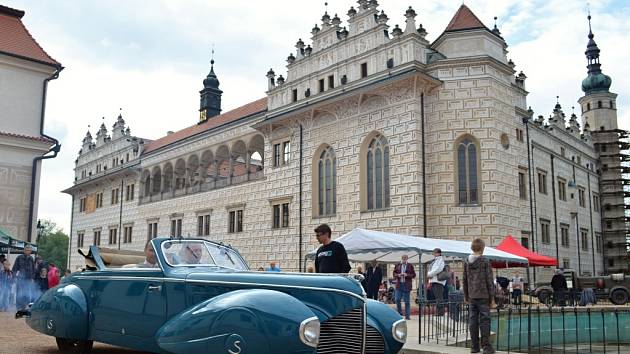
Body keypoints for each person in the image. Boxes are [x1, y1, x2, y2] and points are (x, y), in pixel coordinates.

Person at [463, 238, 496, 354]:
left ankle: (474, 346)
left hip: (472, 295)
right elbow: (489, 280)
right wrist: (492, 298)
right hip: (483, 295)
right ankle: (486, 347)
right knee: (485, 320)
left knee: (473, 320)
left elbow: (465, 280)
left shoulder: (466, 261)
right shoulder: (485, 261)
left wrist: (466, 295)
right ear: (482, 248)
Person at [12, 244, 35, 309]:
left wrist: (33, 278)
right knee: (19, 292)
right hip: (20, 279)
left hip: (29, 279)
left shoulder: (31, 259)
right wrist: (14, 278)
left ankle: (25, 306)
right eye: (27, 250)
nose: (28, 251)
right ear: (24, 250)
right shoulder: (19, 257)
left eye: (29, 250)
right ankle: (18, 307)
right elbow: (14, 268)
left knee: (27, 293)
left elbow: (34, 269)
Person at [393, 254, 416, 320]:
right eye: (403, 258)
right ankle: (400, 312)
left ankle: (407, 316)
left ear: (407, 258)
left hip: (407, 285)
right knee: (397, 299)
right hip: (399, 285)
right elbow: (394, 274)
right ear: (401, 258)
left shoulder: (410, 265)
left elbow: (414, 275)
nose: (404, 259)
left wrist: (407, 275)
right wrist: (398, 275)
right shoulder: (397, 265)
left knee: (407, 301)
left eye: (405, 258)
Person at [427, 248, 446, 316]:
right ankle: (439, 311)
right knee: (437, 297)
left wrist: (429, 274)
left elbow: (438, 269)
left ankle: (440, 312)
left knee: (439, 297)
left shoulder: (440, 260)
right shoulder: (435, 260)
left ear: (438, 253)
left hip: (438, 281)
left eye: (434, 252)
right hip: (434, 280)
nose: (433, 254)